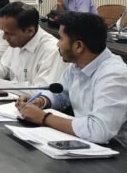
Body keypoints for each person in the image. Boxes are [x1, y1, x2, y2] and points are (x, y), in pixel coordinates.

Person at [18, 12, 127, 145]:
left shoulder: (115, 76)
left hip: (118, 149)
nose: (57, 44)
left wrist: (43, 118)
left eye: (61, 39)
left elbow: (99, 130)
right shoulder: (77, 64)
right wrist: (41, 101)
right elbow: (61, 94)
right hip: (87, 142)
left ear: (78, 46)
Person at [0, 2, 65, 91]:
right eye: (3, 31)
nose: (4, 37)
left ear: (30, 31)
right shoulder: (17, 41)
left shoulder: (52, 50)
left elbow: (42, 90)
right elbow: (4, 68)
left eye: (9, 34)